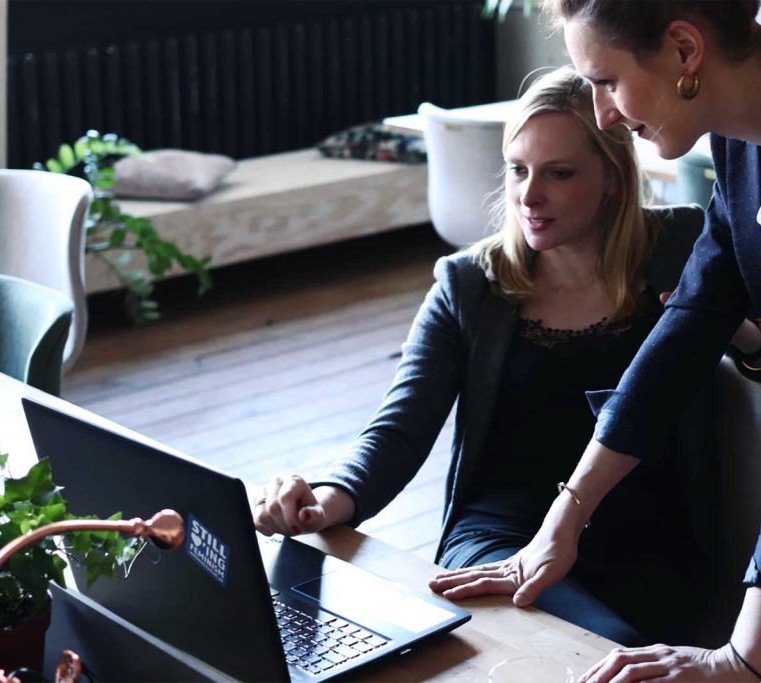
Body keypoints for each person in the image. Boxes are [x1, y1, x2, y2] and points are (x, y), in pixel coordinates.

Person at [432, 2, 761, 681]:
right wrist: (563, 521)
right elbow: (691, 320)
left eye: (608, 81)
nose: (603, 116)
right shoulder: (747, 133)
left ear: (685, 50)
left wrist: (740, 659)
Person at [254, 65, 717, 646]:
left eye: (560, 173)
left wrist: (747, 335)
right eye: (518, 170)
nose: (529, 195)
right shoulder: (470, 284)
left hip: (651, 537)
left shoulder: (684, 247)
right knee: (601, 648)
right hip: (501, 537)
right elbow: (399, 429)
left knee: (618, 650)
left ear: (613, 178)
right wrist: (326, 501)